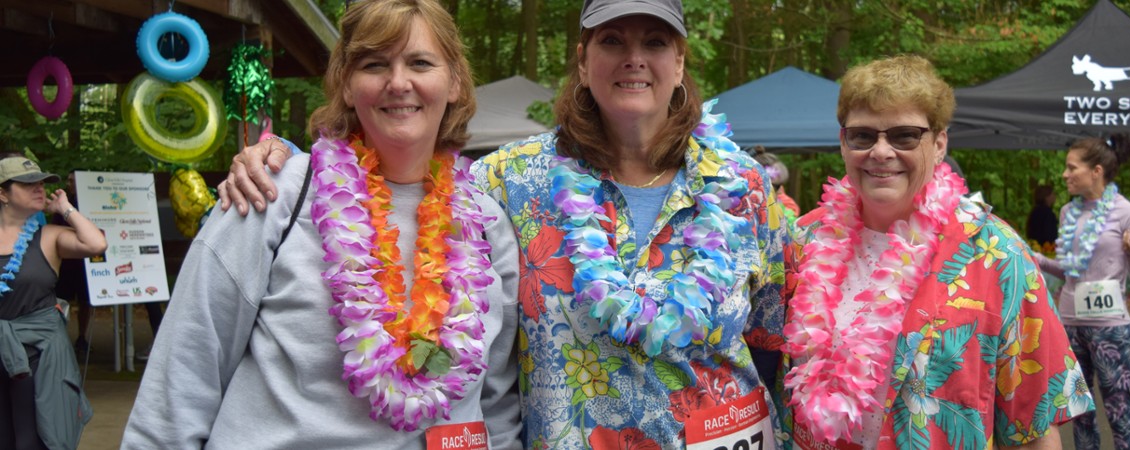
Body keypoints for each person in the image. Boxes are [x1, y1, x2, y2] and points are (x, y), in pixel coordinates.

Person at [217, 1, 793, 447]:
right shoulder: (507, 182)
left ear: (681, 61)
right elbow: (405, 181)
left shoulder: (742, 185)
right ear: (583, 58)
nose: (633, 57)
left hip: (725, 437)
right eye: (612, 40)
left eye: (656, 42)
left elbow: (769, 341)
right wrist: (282, 158)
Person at [121, 1, 521, 448]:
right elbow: (183, 375)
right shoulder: (271, 194)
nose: (398, 83)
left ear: (455, 83)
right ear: (347, 86)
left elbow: (497, 405)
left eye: (420, 63)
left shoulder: (488, 224)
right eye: (374, 64)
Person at [781, 55, 1092, 450]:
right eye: (862, 136)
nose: (880, 151)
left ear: (940, 143)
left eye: (904, 135)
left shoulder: (996, 254)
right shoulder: (802, 240)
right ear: (843, 143)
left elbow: (1034, 429)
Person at [1032, 133, 1130, 450]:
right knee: (1080, 415)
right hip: (1069, 326)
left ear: (1096, 171)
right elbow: (1071, 271)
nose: (1064, 175)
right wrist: (1038, 259)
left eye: (1072, 168)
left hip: (1110, 330)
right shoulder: (1068, 213)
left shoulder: (1129, 214)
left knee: (1119, 413)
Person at [0, 156, 107, 450]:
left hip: (39, 357)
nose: (39, 188)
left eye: (42, 183)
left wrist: (65, 209)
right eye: (28, 183)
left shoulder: (49, 237)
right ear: (2, 193)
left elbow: (96, 244)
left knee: (33, 440)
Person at [51, 170, 92, 355]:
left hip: (85, 263)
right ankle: (60, 336)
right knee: (62, 299)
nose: (70, 184)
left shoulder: (89, 201)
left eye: (73, 181)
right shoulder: (61, 203)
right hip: (67, 262)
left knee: (85, 301)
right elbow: (55, 229)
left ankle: (82, 336)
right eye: (68, 180)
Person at [751, 145, 801, 223]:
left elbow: (793, 212)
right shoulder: (747, 206)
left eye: (778, 186)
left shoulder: (781, 200)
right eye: (775, 186)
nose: (779, 189)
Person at [1026, 184, 1059, 249]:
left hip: (1034, 246)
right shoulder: (1047, 213)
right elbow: (1049, 233)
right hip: (1045, 248)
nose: (1054, 196)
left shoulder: (1034, 211)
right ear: (1046, 196)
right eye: (1052, 194)